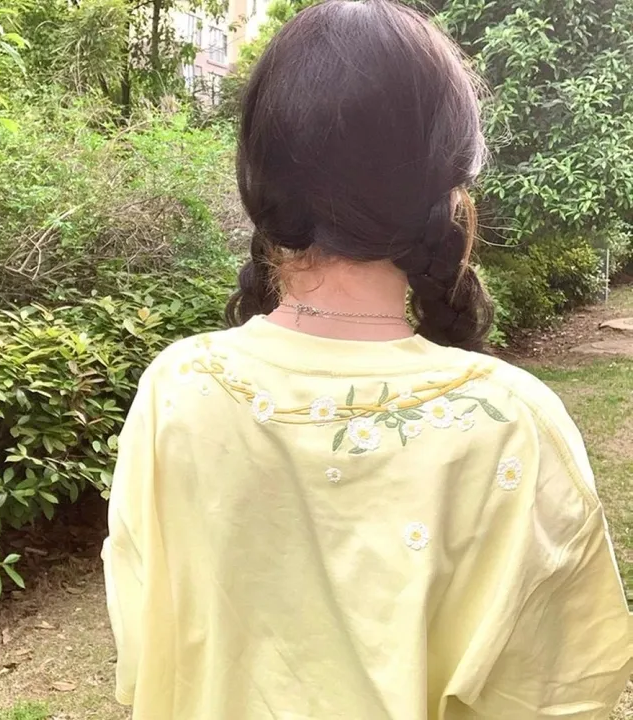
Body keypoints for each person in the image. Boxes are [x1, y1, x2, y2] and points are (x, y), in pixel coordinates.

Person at [102, 1, 632, 718]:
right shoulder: (511, 423)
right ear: (446, 187)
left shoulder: (177, 388)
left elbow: (144, 646)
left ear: (259, 180)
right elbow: (559, 690)